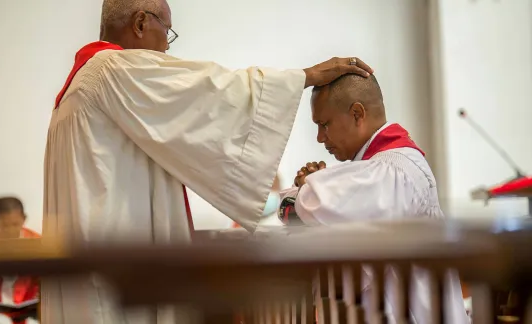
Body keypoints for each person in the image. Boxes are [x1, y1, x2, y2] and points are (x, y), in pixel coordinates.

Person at [42, 0, 374, 322]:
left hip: (92, 268)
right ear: (141, 23)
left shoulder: (81, 86)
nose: (167, 48)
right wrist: (306, 76)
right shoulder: (113, 69)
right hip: (116, 275)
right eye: (167, 32)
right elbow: (214, 91)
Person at [279, 74, 469, 323]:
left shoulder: (393, 170)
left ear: (357, 114)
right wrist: (308, 192)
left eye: (324, 124)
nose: (320, 137)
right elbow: (300, 210)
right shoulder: (375, 168)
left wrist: (307, 189)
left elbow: (310, 206)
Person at [0, 197, 40, 324]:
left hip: (31, 309)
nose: (10, 231)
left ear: (24, 219)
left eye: (15, 224)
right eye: (4, 226)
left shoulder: (38, 243)